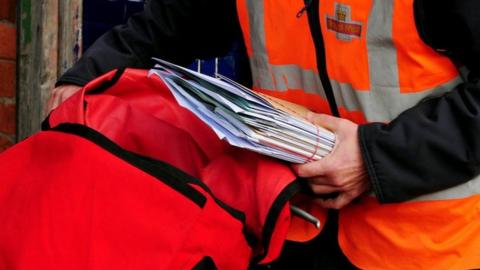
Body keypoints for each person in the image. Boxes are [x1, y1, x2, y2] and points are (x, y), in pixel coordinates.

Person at [49, 0, 480, 269]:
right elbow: (173, 22)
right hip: (288, 227)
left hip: (420, 249)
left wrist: (373, 159)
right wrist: (87, 76)